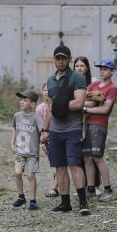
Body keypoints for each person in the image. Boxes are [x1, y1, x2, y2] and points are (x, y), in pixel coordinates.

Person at [46, 45, 91, 215]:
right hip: (55, 130)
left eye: (64, 58)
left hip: (72, 128)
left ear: (69, 59)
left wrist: (59, 105)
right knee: (59, 168)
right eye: (58, 58)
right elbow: (50, 108)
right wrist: (45, 129)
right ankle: (65, 203)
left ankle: (83, 202)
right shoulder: (50, 80)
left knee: (74, 166)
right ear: (54, 60)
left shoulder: (77, 78)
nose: (61, 61)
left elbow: (79, 103)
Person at [83, 59, 117, 201]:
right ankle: (90, 189)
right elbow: (81, 98)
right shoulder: (94, 84)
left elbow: (104, 109)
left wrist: (86, 108)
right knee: (87, 157)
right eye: (100, 68)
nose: (102, 70)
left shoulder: (112, 88)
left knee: (97, 157)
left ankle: (108, 190)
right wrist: (85, 104)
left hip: (99, 125)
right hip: (87, 124)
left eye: (105, 68)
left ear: (112, 71)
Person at [73, 56, 102, 196]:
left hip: (91, 121)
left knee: (92, 155)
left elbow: (97, 101)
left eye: (82, 66)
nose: (79, 68)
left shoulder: (94, 82)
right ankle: (82, 185)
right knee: (79, 156)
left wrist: (83, 104)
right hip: (75, 121)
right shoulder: (70, 82)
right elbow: (71, 101)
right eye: (77, 66)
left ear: (87, 68)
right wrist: (84, 103)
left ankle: (95, 185)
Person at [11, 89, 44, 210]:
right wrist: (12, 143)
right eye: (21, 99)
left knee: (31, 176)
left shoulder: (36, 118)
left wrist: (44, 138)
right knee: (17, 173)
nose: (22, 102)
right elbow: (15, 129)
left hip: (32, 152)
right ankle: (21, 197)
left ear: (33, 104)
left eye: (25, 100)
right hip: (20, 151)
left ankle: (33, 200)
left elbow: (42, 132)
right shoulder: (17, 115)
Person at [36, 83, 59, 198]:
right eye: (44, 90)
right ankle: (56, 186)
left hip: (56, 135)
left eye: (48, 90)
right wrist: (42, 139)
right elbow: (39, 125)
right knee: (54, 163)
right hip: (44, 137)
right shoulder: (40, 108)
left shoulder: (56, 105)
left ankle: (54, 188)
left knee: (57, 164)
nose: (46, 92)